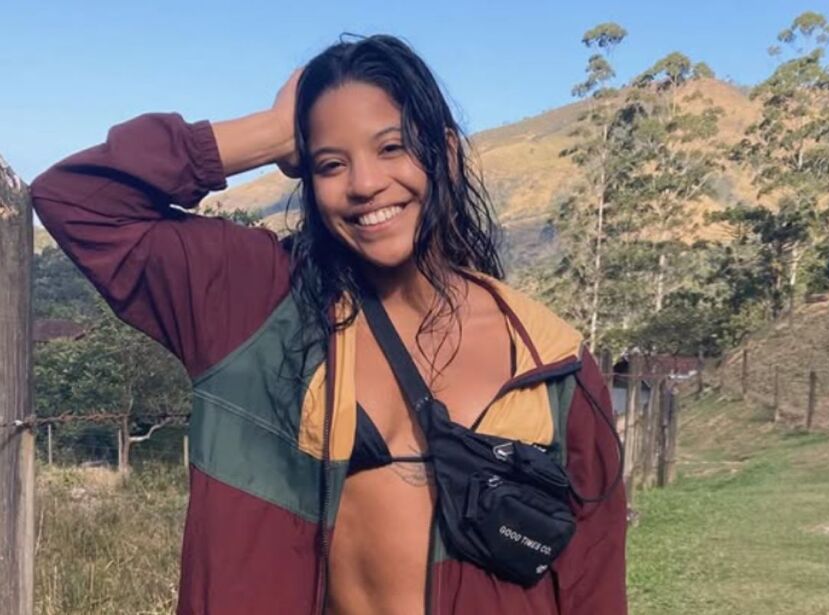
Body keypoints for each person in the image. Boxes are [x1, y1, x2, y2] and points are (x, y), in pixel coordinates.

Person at [31, 34, 627, 615]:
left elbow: (592, 581)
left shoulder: (549, 361)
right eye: (331, 163)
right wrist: (270, 131)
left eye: (392, 148)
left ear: (445, 154)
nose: (364, 184)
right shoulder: (253, 305)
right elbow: (75, 200)